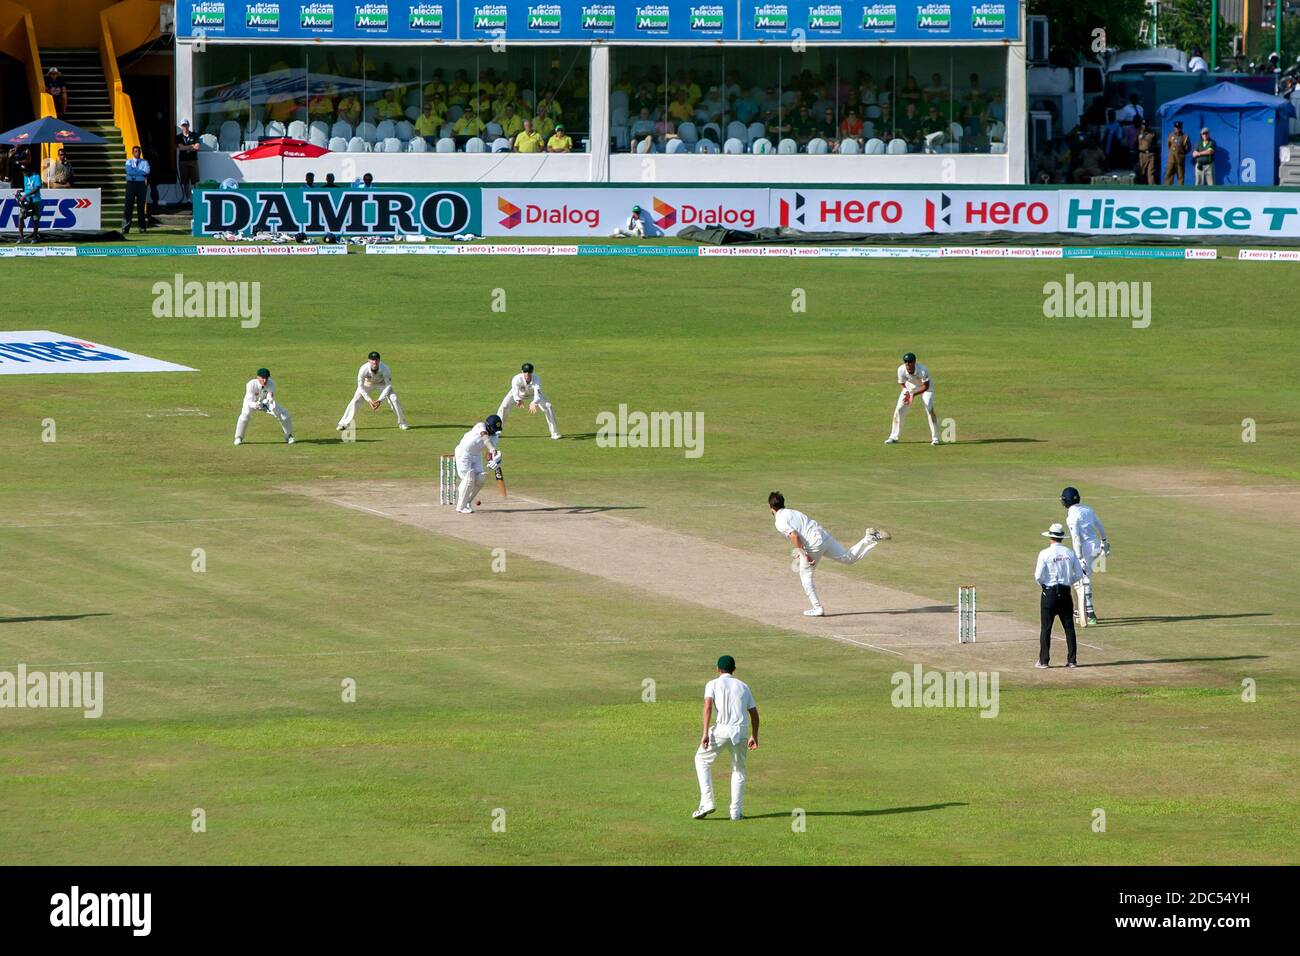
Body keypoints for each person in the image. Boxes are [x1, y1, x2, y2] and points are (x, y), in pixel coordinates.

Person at [769, 491, 890, 617]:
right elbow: (800, 533)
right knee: (847, 558)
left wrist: (803, 553)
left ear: (770, 506)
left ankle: (817, 608)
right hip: (823, 535)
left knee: (805, 575)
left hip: (813, 544)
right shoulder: (794, 512)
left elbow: (793, 535)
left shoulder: (779, 521)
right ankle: (869, 538)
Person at [692, 655, 759, 822]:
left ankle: (707, 802)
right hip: (741, 732)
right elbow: (754, 714)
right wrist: (754, 736)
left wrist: (705, 732)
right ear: (734, 669)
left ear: (717, 669)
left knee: (701, 760)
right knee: (739, 770)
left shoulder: (712, 684)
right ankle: (736, 813)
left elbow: (707, 706)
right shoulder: (744, 686)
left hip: (721, 730)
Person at [1034, 522, 1084, 668]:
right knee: (1069, 628)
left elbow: (1038, 576)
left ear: (1050, 538)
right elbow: (1079, 574)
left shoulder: (1044, 553)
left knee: (1046, 628)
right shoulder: (1069, 553)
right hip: (1065, 592)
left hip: (1049, 593)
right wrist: (1068, 581)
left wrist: (1044, 585)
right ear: (1061, 538)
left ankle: (1044, 661)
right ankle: (1072, 660)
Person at [1060, 487, 1110, 626]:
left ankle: (1090, 613)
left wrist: (1079, 557)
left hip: (1085, 549)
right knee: (1083, 578)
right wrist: (1104, 542)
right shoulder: (1088, 509)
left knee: (1084, 578)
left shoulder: (1072, 517)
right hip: (1095, 546)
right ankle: (1080, 610)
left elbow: (1076, 538)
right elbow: (1099, 525)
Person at [336, 351, 408, 432]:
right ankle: (343, 423)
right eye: (372, 360)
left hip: (382, 384)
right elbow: (360, 386)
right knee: (356, 399)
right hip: (367, 383)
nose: (375, 362)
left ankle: (402, 423)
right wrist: (369, 400)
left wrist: (380, 400)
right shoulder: (363, 369)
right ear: (369, 361)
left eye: (376, 360)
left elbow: (388, 385)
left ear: (379, 360)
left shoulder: (385, 369)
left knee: (394, 399)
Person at [884, 351, 940, 446]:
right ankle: (893, 437)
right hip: (910, 388)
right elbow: (901, 383)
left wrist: (913, 394)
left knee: (929, 408)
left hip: (926, 389)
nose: (907, 364)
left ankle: (935, 438)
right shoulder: (901, 369)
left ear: (914, 362)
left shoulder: (923, 370)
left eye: (909, 362)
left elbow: (925, 386)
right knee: (899, 409)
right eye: (905, 361)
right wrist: (906, 391)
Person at [452, 415, 503, 514]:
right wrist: (492, 449)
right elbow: (485, 438)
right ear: (488, 426)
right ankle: (460, 507)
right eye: (493, 429)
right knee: (468, 479)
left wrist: (493, 460)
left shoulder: (495, 436)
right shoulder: (480, 426)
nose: (494, 432)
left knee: (481, 478)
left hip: (476, 455)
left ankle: (467, 502)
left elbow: (489, 454)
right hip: (464, 453)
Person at [495, 362, 560, 439]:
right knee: (504, 407)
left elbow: (537, 394)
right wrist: (518, 400)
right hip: (518, 394)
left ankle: (554, 433)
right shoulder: (516, 379)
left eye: (529, 372)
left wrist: (534, 402)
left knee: (548, 406)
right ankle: (496, 432)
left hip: (533, 395)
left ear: (532, 372)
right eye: (525, 371)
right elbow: (515, 392)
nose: (527, 374)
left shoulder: (536, 379)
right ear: (522, 371)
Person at [234, 368, 294, 446]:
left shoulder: (271, 383)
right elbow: (248, 400)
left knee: (284, 414)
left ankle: (288, 436)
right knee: (244, 416)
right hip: (251, 402)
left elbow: (270, 394)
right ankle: (238, 437)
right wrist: (255, 405)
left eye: (266, 378)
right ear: (257, 377)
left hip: (265, 402)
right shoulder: (251, 384)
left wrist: (270, 399)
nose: (265, 380)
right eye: (262, 378)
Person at [14, 153, 42, 243]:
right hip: (26, 201)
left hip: (35, 200)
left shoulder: (36, 176)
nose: (23, 173)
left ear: (28, 170)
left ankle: (35, 237)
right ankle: (20, 237)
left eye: (24, 171)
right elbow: (27, 188)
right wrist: (20, 191)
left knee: (35, 218)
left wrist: (25, 195)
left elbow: (37, 188)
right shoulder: (25, 177)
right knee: (21, 217)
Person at [122, 145, 150, 235]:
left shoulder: (145, 162)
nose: (137, 153)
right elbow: (129, 171)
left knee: (141, 207)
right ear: (132, 152)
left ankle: (142, 227)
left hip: (141, 185)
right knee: (128, 207)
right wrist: (140, 172)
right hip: (131, 184)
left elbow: (146, 172)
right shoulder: (128, 161)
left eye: (138, 151)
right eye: (135, 151)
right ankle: (125, 228)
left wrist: (136, 172)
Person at [175, 120, 201, 204]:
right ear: (181, 126)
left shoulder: (195, 135)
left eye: (186, 125)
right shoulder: (178, 137)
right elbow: (181, 148)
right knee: (185, 181)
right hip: (183, 161)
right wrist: (191, 146)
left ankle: (196, 198)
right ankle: (188, 199)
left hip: (193, 160)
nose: (185, 127)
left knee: (195, 181)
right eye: (183, 125)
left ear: (189, 125)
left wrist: (187, 147)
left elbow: (197, 147)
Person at [1135, 119, 1157, 184]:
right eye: (1143, 125)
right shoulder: (1138, 133)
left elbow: (1154, 143)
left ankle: (1152, 187)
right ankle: (1142, 186)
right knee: (1142, 172)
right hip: (1142, 154)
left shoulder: (1152, 133)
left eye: (1146, 125)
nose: (1144, 126)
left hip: (1150, 154)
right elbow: (1135, 143)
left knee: (1151, 172)